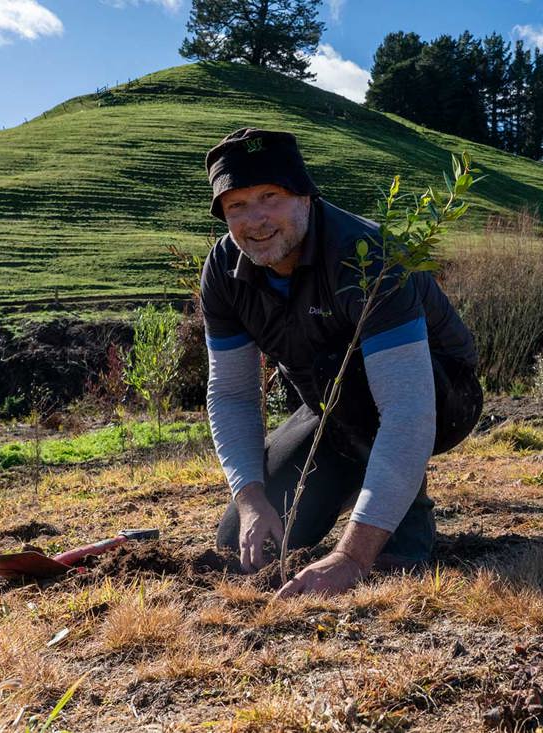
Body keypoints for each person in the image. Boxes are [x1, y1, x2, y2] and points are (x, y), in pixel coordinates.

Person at [201, 128, 482, 598]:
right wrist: (250, 498)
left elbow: (409, 410)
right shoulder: (225, 271)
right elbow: (230, 392)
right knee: (241, 542)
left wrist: (350, 558)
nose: (256, 220)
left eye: (270, 196)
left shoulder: (365, 257)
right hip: (330, 405)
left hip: (440, 395)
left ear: (306, 196)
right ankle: (366, 481)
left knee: (348, 370)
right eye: (237, 206)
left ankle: (403, 528)